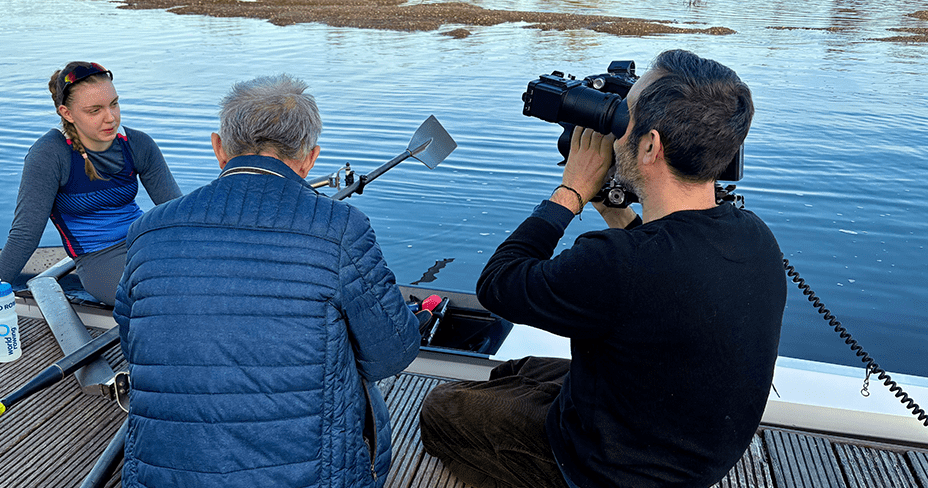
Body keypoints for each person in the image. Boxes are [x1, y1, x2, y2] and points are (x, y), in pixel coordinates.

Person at [419, 49, 787, 488]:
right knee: (513, 372)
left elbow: (498, 285)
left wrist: (571, 191)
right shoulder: (756, 235)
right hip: (691, 447)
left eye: (624, 115)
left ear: (650, 146)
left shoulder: (616, 263)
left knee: (441, 407)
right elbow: (667, 268)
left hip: (611, 472)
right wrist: (613, 208)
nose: (613, 130)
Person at [114, 74, 421, 488]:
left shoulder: (148, 229)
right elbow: (392, 354)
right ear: (310, 158)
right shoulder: (342, 228)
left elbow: (131, 336)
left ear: (218, 148)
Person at [0, 61, 181, 346]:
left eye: (114, 104)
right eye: (95, 110)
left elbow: (179, 211)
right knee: (173, 292)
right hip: (99, 260)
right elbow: (24, 236)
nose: (110, 118)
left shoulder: (137, 144)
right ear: (67, 113)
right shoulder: (50, 155)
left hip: (144, 239)